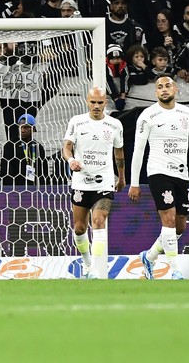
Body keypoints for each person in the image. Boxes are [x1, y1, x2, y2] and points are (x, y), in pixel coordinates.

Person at [130, 77, 189, 280]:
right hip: (158, 172)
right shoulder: (148, 115)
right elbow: (138, 150)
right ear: (155, 93)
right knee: (169, 219)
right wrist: (134, 182)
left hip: (181, 174)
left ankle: (149, 256)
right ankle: (175, 270)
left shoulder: (187, 114)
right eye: (159, 87)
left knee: (180, 226)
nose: (164, 89)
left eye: (167, 86)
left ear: (175, 89)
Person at [62, 87, 125, 280]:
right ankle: (88, 264)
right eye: (93, 102)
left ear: (106, 103)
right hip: (81, 182)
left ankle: (97, 271)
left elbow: (119, 152)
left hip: (104, 182)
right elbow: (66, 147)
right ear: (87, 102)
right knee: (79, 228)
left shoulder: (114, 125)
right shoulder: (77, 122)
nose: (96, 106)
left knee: (98, 221)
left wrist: (121, 177)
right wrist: (71, 160)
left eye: (100, 102)